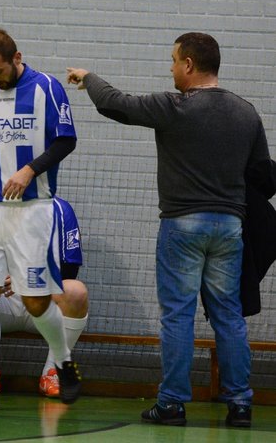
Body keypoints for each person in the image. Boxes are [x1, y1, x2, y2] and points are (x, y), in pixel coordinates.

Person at [67, 32, 271, 428]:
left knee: (178, 315)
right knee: (229, 316)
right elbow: (262, 173)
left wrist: (88, 77)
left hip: (182, 225)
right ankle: (240, 405)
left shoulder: (174, 106)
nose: (172, 68)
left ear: (189, 65)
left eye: (174, 61)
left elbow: (115, 103)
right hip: (230, 227)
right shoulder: (247, 113)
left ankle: (173, 404)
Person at [0, 28, 81, 409]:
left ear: (17, 58)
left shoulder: (47, 88)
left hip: (31, 210)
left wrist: (29, 170)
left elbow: (66, 139)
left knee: (36, 301)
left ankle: (63, 361)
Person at [0, 195, 89, 397]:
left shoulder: (60, 209)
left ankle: (52, 372)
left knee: (76, 291)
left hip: (42, 304)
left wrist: (25, 280)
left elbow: (69, 270)